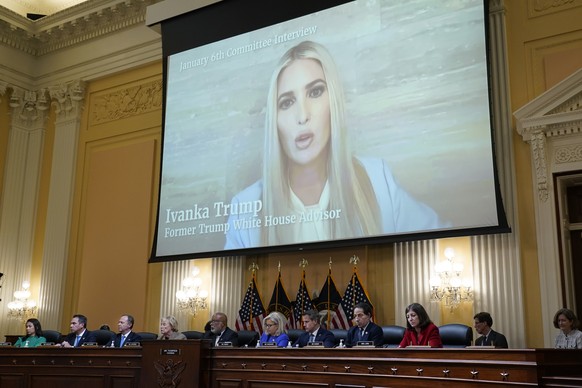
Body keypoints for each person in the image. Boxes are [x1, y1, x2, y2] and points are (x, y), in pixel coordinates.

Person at [225, 40, 445, 249]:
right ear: (275, 120)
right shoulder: (244, 207)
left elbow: (442, 245)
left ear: (334, 103)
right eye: (287, 102)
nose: (302, 116)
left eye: (315, 92)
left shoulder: (378, 179)